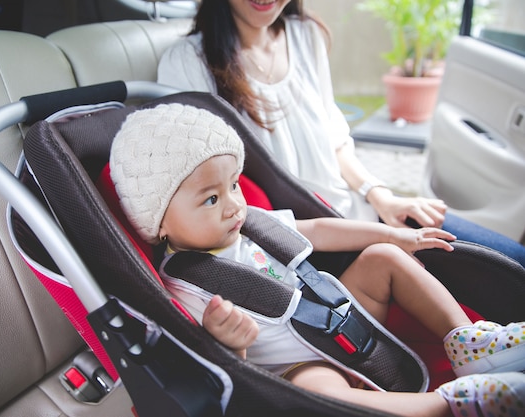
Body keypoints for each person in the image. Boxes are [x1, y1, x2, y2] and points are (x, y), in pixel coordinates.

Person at [109, 103, 525, 417]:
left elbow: (318, 230)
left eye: (234, 184)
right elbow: (218, 369)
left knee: (383, 257)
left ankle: (468, 342)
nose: (234, 205)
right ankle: (449, 404)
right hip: (294, 364)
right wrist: (231, 343)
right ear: (159, 221)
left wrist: (394, 234)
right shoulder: (183, 284)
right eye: (212, 198)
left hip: (340, 309)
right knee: (323, 393)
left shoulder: (250, 221)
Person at [156, 0, 525, 269]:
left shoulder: (306, 36)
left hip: (357, 214)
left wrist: (382, 197)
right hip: (300, 244)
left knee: (512, 259)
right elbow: (199, 192)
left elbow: (334, 140)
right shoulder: (187, 64)